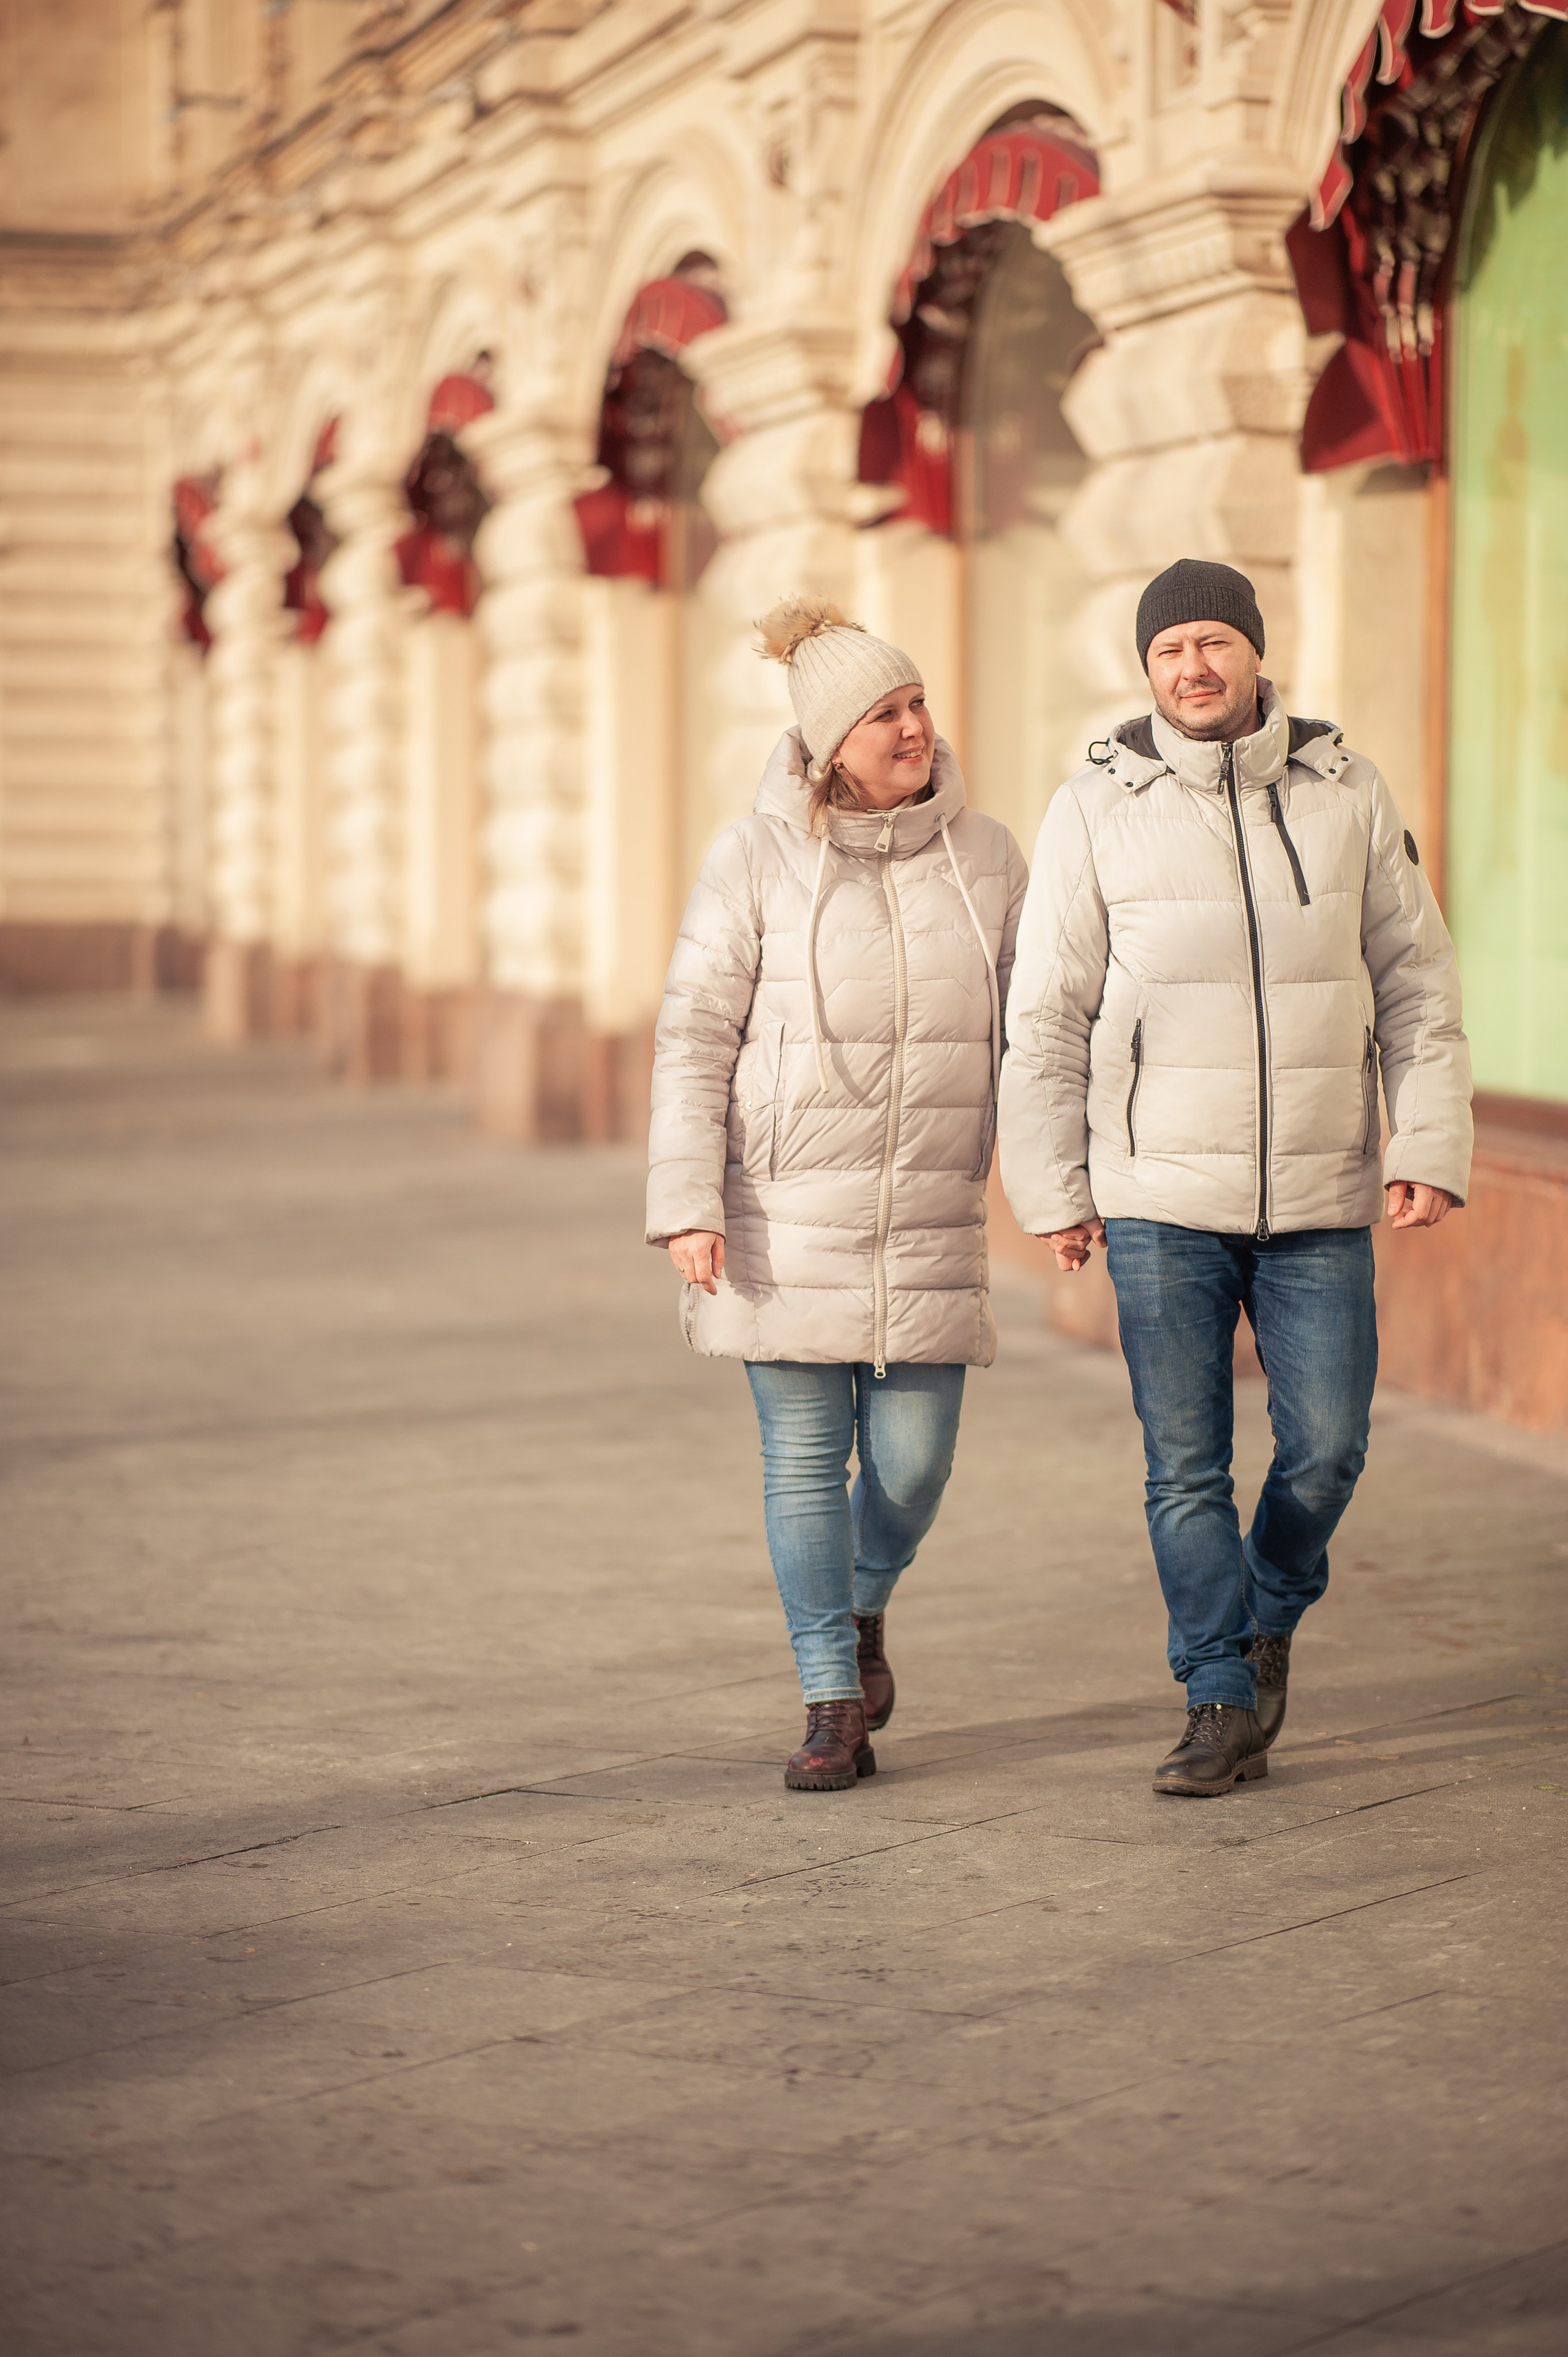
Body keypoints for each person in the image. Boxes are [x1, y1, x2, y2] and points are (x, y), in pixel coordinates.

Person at [998, 558, 1472, 1797]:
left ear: (1255, 652)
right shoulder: (1093, 808)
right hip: (1158, 1194)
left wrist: (1425, 1143)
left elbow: (1417, 985)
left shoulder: (1346, 791)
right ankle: (1216, 1691)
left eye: (1212, 641)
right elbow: (1044, 1014)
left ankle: (1265, 1608)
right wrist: (1054, 1186)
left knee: (1327, 1449)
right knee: (1184, 1466)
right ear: (1145, 669)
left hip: (1319, 1188)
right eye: (1168, 650)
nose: (1192, 668)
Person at [648, 598, 1028, 1791]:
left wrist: (1061, 1179)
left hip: (925, 1215)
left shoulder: (988, 858)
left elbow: (1037, 1036)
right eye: (884, 715)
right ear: (827, 746)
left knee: (912, 1468)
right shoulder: (752, 858)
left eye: (917, 704)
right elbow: (693, 1036)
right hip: (779, 1212)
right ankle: (829, 1699)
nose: (915, 728)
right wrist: (688, 1202)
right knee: (803, 1463)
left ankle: (864, 1602)